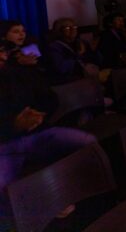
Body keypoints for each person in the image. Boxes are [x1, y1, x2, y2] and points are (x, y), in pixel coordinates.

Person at [0, 39, 96, 216]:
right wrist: (14, 125)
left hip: (38, 134)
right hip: (5, 147)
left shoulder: (17, 73)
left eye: (3, 51)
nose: (2, 57)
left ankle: (71, 193)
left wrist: (38, 114)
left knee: (89, 143)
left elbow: (50, 98)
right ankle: (41, 210)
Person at [45, 18, 101, 85]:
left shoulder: (81, 42)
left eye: (74, 27)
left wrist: (94, 50)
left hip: (88, 76)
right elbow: (61, 68)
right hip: (68, 81)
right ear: (59, 31)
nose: (73, 29)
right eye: (68, 28)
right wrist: (79, 55)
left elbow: (97, 60)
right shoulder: (54, 47)